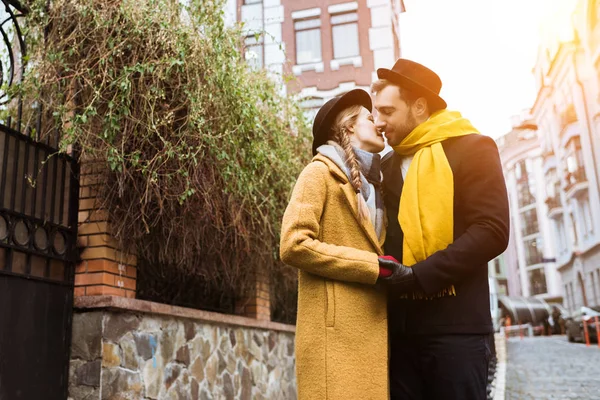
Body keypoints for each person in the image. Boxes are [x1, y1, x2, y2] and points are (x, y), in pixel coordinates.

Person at [372, 58, 510, 400]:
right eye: (376, 112)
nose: (379, 122)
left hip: (457, 333)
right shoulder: (384, 166)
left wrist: (417, 275)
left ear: (419, 106)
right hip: (400, 334)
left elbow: (492, 230)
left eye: (387, 111)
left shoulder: (473, 148)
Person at [279, 89, 393, 400]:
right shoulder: (319, 173)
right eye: (371, 118)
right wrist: (372, 268)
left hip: (368, 334)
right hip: (333, 341)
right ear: (348, 128)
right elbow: (293, 243)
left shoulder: (375, 187)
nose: (379, 124)